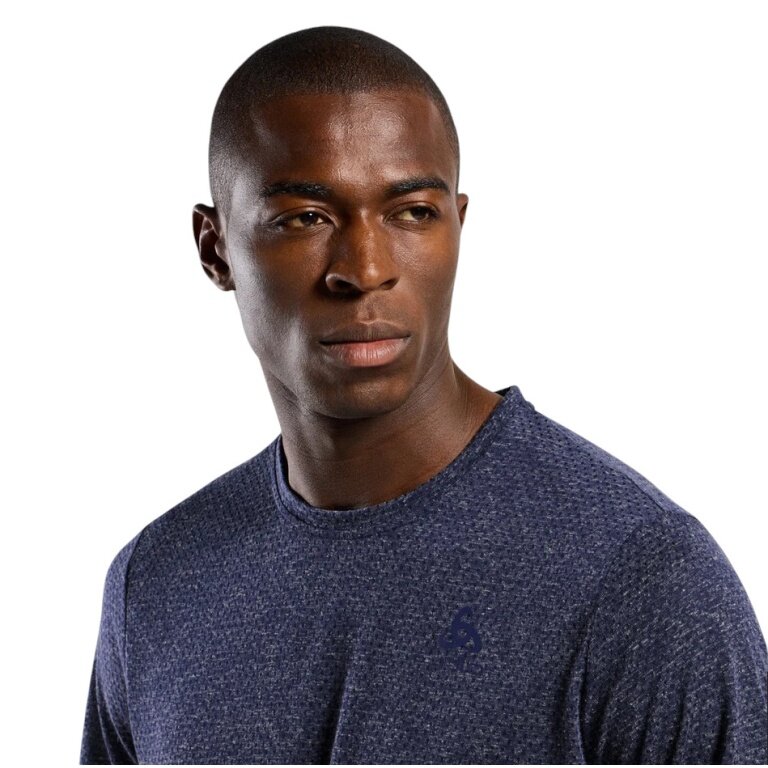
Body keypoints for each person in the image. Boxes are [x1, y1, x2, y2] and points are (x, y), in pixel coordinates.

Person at [79, 26, 767, 765]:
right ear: (215, 249)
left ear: (457, 228)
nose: (365, 269)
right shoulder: (156, 586)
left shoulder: (642, 581)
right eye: (306, 218)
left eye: (412, 212)